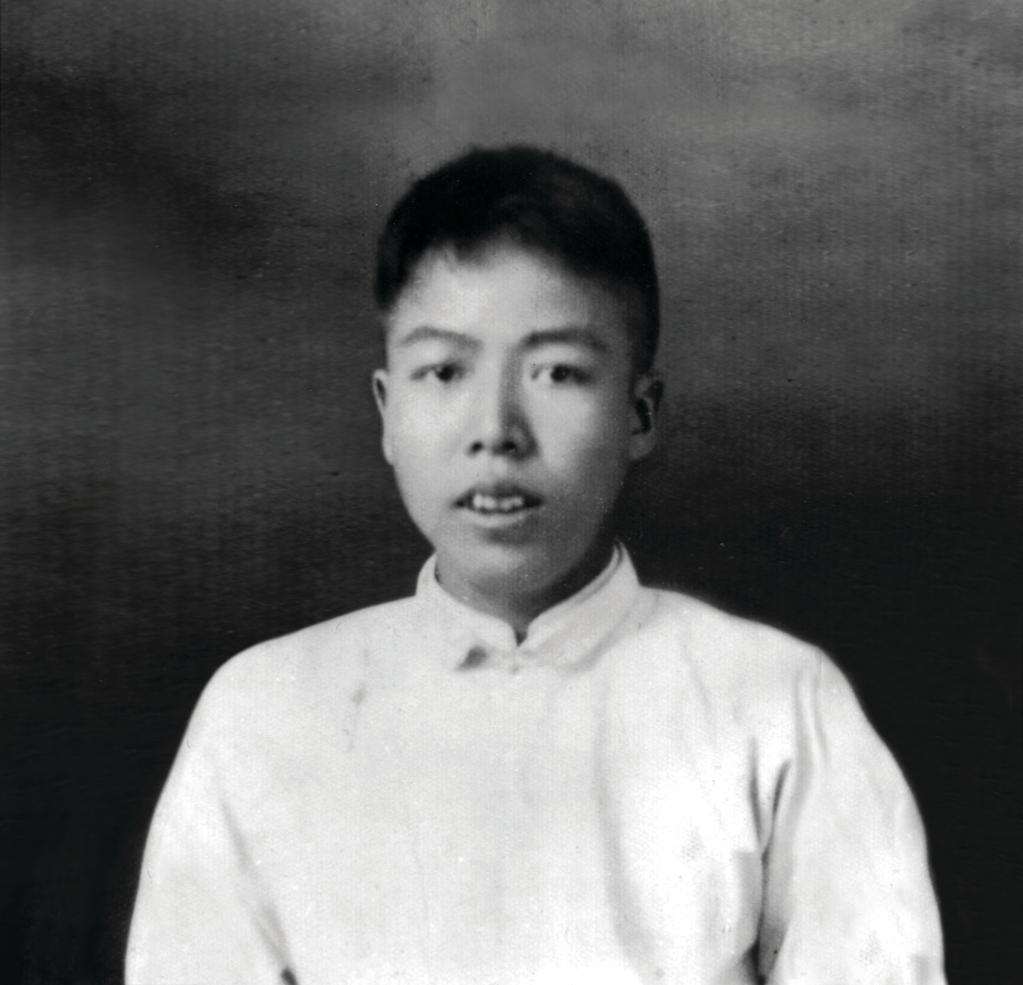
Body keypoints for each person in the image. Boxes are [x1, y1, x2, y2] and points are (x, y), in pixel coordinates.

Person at [126, 146, 946, 984]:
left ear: (638, 412)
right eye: (444, 370)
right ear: (386, 409)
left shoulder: (776, 701)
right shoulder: (263, 711)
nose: (496, 430)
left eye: (557, 372)